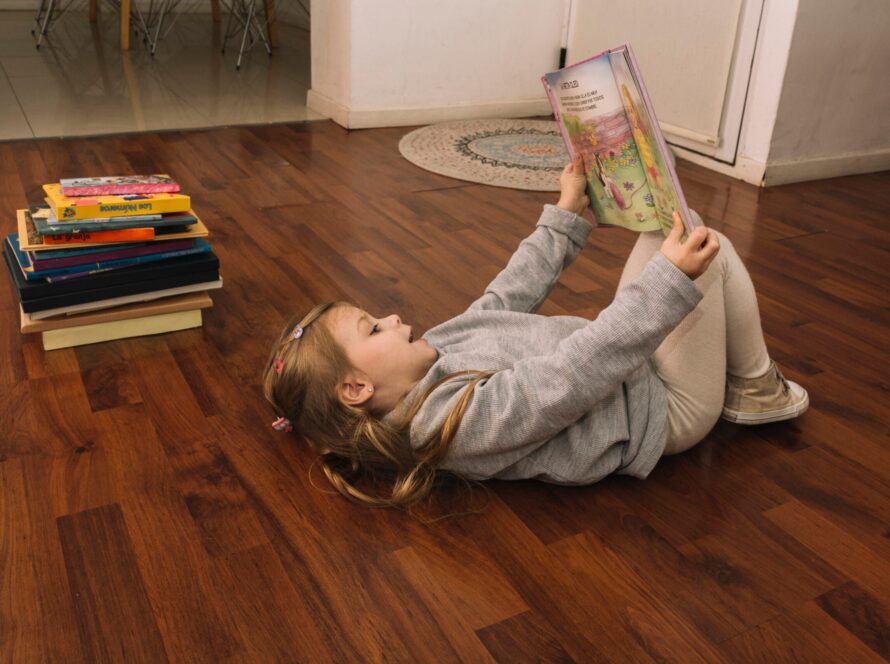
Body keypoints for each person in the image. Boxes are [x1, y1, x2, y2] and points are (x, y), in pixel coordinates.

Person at [262, 158, 808, 508]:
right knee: (704, 252)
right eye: (374, 328)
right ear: (356, 388)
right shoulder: (451, 426)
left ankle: (738, 378)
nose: (395, 319)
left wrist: (565, 216)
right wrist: (667, 285)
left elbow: (505, 299)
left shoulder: (426, 361)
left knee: (677, 230)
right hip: (663, 410)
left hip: (630, 372)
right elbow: (567, 378)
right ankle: (756, 388)